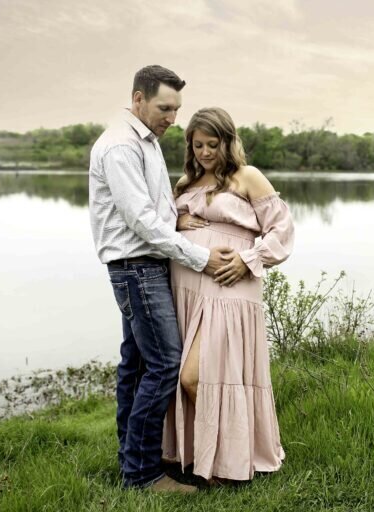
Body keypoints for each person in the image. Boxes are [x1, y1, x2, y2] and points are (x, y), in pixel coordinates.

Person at [88, 65, 233, 493]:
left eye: (177, 109)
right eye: (165, 107)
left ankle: (131, 462)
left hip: (144, 266)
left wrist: (182, 217)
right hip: (137, 267)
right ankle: (145, 474)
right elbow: (142, 222)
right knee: (165, 364)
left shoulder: (146, 141)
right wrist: (202, 258)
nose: (173, 117)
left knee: (135, 367)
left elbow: (157, 209)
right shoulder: (120, 146)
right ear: (138, 99)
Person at [162, 107, 294, 482]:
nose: (204, 152)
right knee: (186, 376)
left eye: (212, 144)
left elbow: (282, 232)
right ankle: (195, 455)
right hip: (187, 291)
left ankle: (229, 458)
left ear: (228, 141)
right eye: (197, 144)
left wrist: (249, 260)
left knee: (196, 376)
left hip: (228, 289)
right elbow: (156, 225)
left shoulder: (247, 177)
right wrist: (177, 219)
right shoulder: (186, 183)